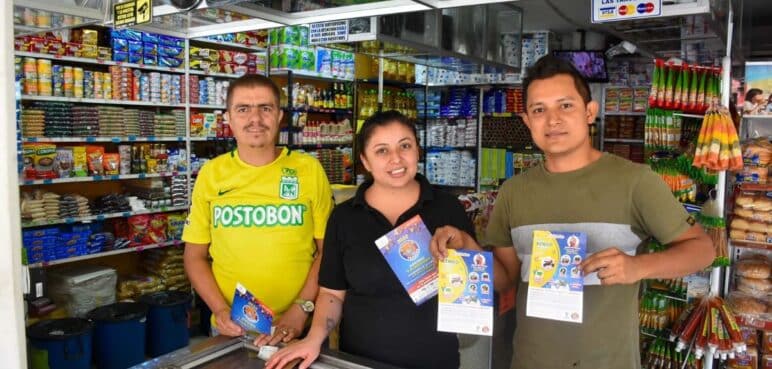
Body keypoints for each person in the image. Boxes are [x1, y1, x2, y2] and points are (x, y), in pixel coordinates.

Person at [430, 55, 714, 369]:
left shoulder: (635, 181)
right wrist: (465, 247)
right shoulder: (513, 191)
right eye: (539, 110)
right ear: (527, 120)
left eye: (565, 105)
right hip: (530, 361)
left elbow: (702, 250)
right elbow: (507, 277)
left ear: (590, 112)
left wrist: (638, 266)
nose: (552, 120)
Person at [264, 110, 475, 369]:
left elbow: (476, 284)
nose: (396, 159)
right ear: (365, 160)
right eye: (382, 151)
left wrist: (464, 244)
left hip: (434, 359)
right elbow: (332, 293)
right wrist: (314, 338)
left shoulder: (447, 208)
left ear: (417, 150)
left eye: (405, 146)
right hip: (360, 361)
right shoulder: (344, 219)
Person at [182, 74, 334, 346]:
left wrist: (301, 309)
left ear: (279, 116)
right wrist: (219, 309)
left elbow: (329, 251)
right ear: (228, 118)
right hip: (234, 330)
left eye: (265, 108)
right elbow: (194, 257)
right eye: (243, 109)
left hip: (299, 329)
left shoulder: (308, 170)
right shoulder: (210, 174)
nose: (255, 118)